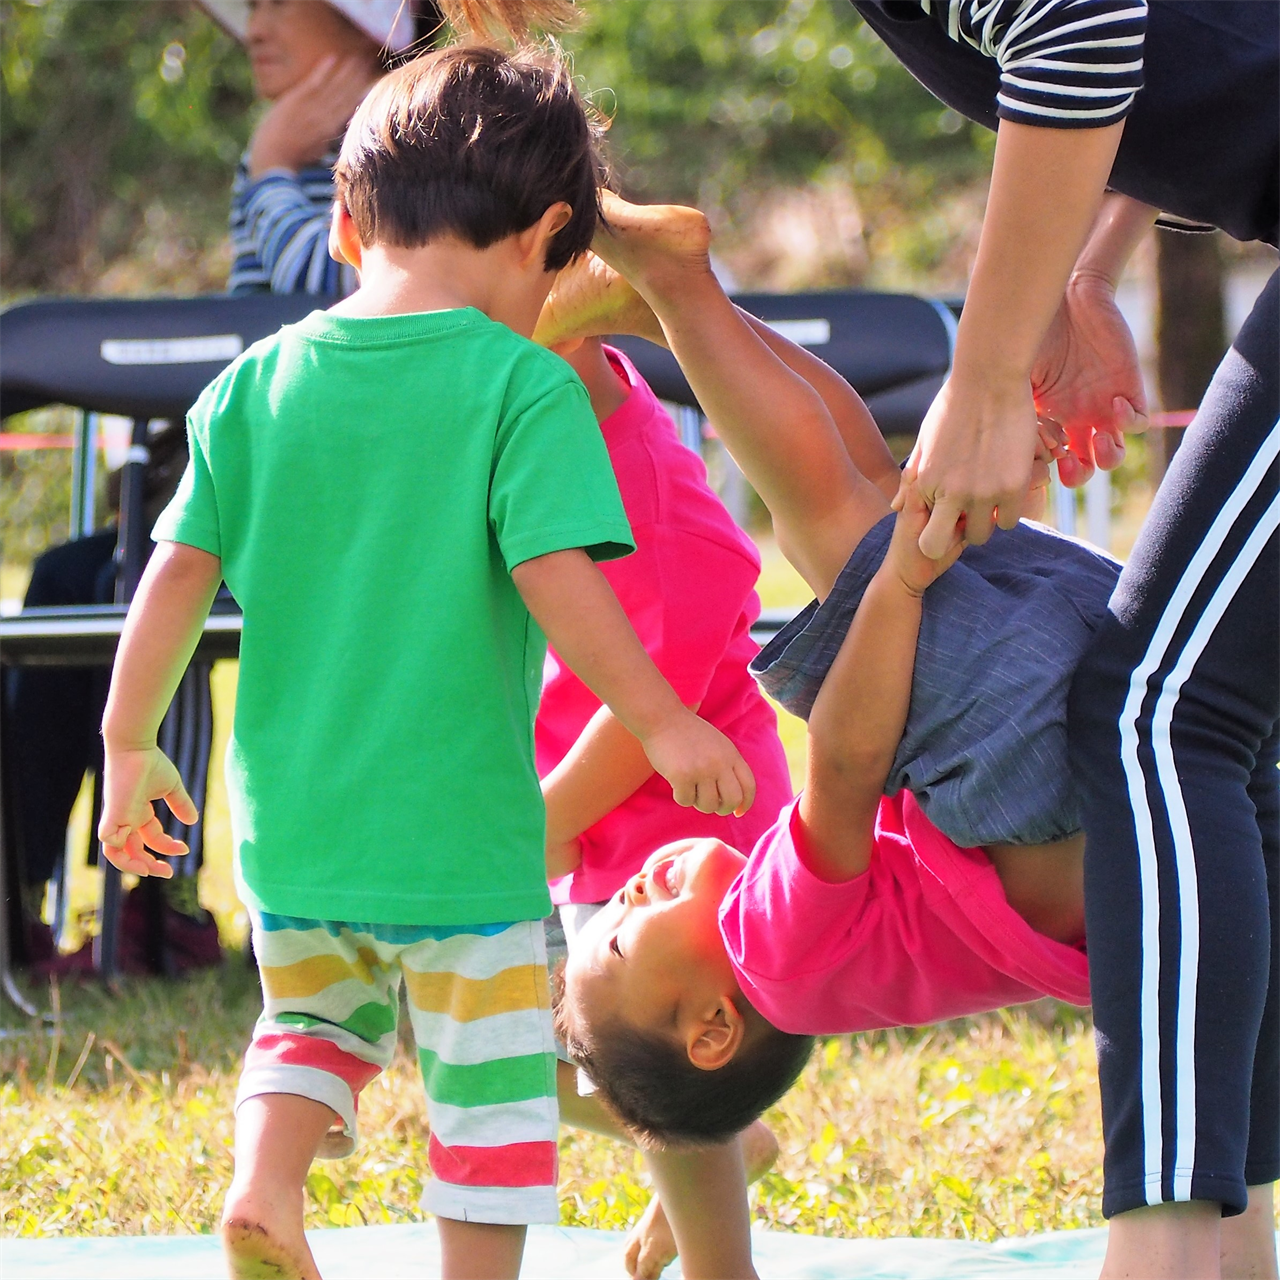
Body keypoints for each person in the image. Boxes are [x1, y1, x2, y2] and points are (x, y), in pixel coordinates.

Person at [451, 5, 1280, 1276]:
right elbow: (838, 774)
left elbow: (1105, 39)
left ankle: (680, 296)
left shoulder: (784, 970)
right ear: (713, 1024)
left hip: (1019, 781)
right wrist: (887, 594)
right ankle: (678, 292)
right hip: (1016, 771)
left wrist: (1023, 334)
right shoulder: (777, 957)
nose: (620, 895)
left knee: (846, 492)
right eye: (617, 933)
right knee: (839, 515)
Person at [95, 47, 754, 1280]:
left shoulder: (255, 384)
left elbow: (174, 573)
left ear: (344, 222)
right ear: (553, 237)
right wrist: (662, 719)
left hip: (292, 828)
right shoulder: (518, 389)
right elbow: (560, 579)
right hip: (460, 838)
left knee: (308, 1022)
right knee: (486, 1085)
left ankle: (265, 1182)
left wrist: (129, 744)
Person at [531, 331, 793, 1280]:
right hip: (607, 814)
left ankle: (721, 1244)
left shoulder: (634, 479)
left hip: (688, 815)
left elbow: (664, 689)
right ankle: (716, 1137)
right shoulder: (544, 427)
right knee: (532, 1043)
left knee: (655, 1039)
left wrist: (540, 826)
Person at [197, 0, 432, 296]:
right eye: (253, 5)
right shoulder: (274, 140)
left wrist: (271, 170)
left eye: (279, 4)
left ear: (361, 28)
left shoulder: (407, 139)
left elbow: (341, 295)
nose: (253, 30)